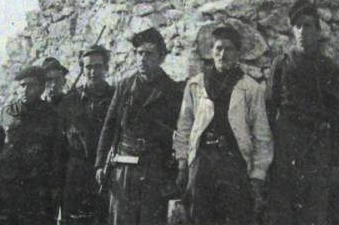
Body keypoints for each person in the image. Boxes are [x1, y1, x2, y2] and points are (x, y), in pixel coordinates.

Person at [173, 25, 274, 225]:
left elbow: (262, 134)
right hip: (202, 162)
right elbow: (185, 126)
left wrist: (258, 174)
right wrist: (182, 162)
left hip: (233, 162)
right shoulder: (196, 85)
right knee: (199, 216)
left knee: (234, 217)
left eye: (229, 49)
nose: (223, 54)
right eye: (218, 48)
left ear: (238, 54)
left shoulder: (250, 89)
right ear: (211, 52)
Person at [266, 0, 339, 225]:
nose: (302, 31)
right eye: (298, 26)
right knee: (282, 207)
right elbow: (270, 108)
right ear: (292, 30)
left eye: (308, 25)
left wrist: (336, 157)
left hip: (317, 144)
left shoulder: (328, 68)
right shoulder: (281, 64)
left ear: (318, 31)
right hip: (287, 143)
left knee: (315, 209)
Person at [95, 28, 183, 225]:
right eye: (139, 53)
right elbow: (109, 126)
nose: (142, 59)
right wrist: (100, 164)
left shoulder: (172, 91)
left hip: (154, 172)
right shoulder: (125, 86)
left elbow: (180, 135)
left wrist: (173, 175)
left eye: (149, 54)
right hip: (123, 170)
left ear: (161, 58)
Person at [0, 66, 63, 225]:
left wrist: (55, 186)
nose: (25, 89)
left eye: (31, 85)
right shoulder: (7, 112)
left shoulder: (51, 115)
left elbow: (56, 153)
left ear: (42, 88)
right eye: (22, 85)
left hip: (37, 188)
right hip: (8, 185)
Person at [60, 44, 114, 225]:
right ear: (82, 70)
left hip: (105, 171)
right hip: (76, 172)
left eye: (97, 66)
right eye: (88, 67)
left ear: (106, 68)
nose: (93, 72)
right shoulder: (70, 100)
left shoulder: (115, 97)